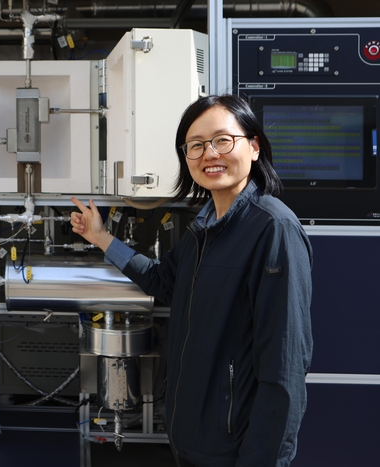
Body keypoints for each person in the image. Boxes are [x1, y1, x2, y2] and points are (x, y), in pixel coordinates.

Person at [71, 95, 313, 467]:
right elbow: (160, 280)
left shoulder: (272, 229)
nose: (209, 154)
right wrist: (102, 238)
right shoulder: (203, 227)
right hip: (190, 439)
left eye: (222, 140)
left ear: (253, 146)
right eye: (196, 145)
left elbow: (284, 370)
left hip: (233, 450)